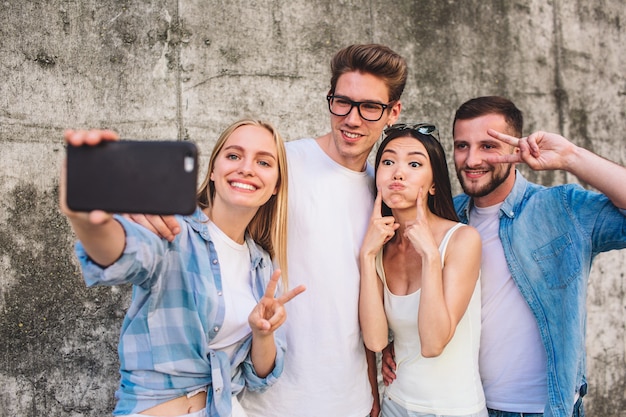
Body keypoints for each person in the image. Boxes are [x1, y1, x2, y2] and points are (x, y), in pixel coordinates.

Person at [133, 44, 408, 417]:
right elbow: (209, 223)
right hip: (269, 398)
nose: (352, 119)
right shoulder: (281, 165)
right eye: (342, 102)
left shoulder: (383, 192)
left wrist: (372, 387)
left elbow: (360, 298)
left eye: (370, 107)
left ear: (393, 112)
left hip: (351, 400)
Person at [382, 96, 626, 417]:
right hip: (467, 403)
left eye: (488, 146)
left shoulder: (561, 209)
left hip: (541, 407)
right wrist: (400, 339)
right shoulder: (447, 217)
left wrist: (570, 157)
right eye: (462, 146)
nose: (471, 160)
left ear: (516, 150)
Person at [59, 119, 305, 417]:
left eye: (263, 161)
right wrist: (87, 220)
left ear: (277, 184)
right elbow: (126, 252)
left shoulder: (262, 264)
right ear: (213, 171)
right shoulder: (175, 230)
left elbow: (259, 377)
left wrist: (262, 333)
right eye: (233, 156)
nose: (247, 168)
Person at [359, 123, 485, 417]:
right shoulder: (379, 246)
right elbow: (376, 340)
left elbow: (433, 343)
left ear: (433, 185)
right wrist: (366, 256)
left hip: (454, 410)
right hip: (395, 404)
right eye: (388, 162)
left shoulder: (462, 240)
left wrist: (430, 255)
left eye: (414, 163)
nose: (397, 173)